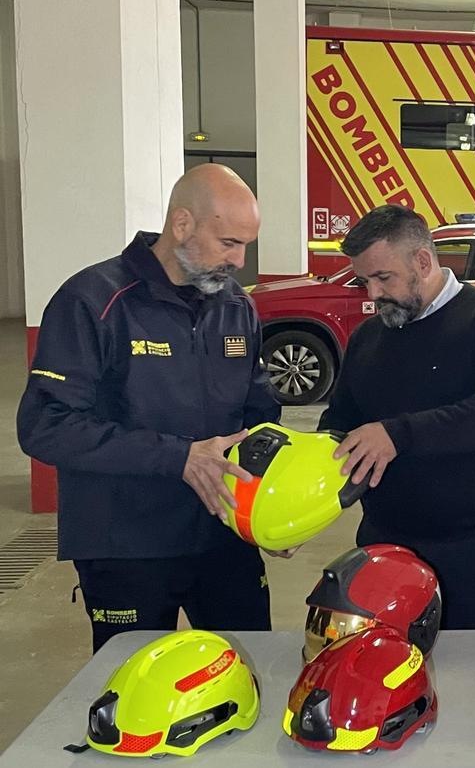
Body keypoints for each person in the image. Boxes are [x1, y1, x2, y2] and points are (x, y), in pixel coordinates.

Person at [17, 164, 281, 652]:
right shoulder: (92, 299)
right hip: (126, 546)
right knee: (135, 695)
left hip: (223, 536)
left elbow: (259, 417)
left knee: (250, 673)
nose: (240, 261)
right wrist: (179, 457)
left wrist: (275, 507)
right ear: (182, 224)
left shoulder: (235, 306)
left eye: (246, 245)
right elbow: (45, 426)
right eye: (228, 243)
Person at [317, 204, 475, 630]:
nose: (372, 295)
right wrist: (303, 508)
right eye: (365, 281)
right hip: (385, 543)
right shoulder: (367, 338)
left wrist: (397, 435)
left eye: (383, 278)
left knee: (471, 671)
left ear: (423, 261)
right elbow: (339, 426)